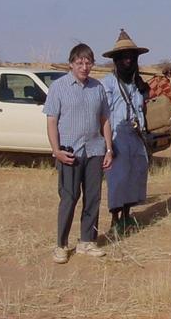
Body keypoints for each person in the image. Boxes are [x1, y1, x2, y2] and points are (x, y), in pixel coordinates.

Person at [44, 43, 114, 264]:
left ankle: (87, 241)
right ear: (71, 64)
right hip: (70, 153)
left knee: (93, 198)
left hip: (94, 150)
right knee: (69, 198)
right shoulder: (59, 87)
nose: (84, 67)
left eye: (88, 62)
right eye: (80, 62)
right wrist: (56, 152)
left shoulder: (98, 88)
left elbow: (105, 120)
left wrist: (109, 149)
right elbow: (52, 122)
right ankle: (61, 245)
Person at [101, 29, 151, 236]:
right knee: (118, 178)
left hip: (136, 134)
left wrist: (143, 90)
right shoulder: (109, 83)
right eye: (123, 57)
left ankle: (128, 215)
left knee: (135, 175)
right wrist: (108, 144)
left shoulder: (138, 83)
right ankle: (115, 218)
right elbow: (105, 113)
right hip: (117, 135)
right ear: (116, 60)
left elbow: (143, 109)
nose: (128, 60)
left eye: (131, 56)